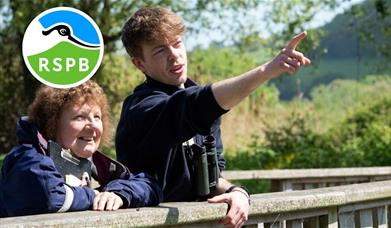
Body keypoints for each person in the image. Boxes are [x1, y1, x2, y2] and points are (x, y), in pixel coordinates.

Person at [116, 7, 310, 227]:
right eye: (160, 51)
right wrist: (266, 71)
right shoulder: (142, 108)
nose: (174, 55)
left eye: (177, 43)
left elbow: (209, 179)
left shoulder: (203, 106)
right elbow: (194, 106)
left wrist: (236, 192)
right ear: (140, 64)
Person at [0, 80, 162, 218]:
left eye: (97, 117)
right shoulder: (27, 159)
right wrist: (95, 195)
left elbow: (150, 185)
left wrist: (119, 194)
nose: (93, 126)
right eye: (80, 117)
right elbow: (48, 195)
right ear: (52, 123)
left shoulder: (98, 166)